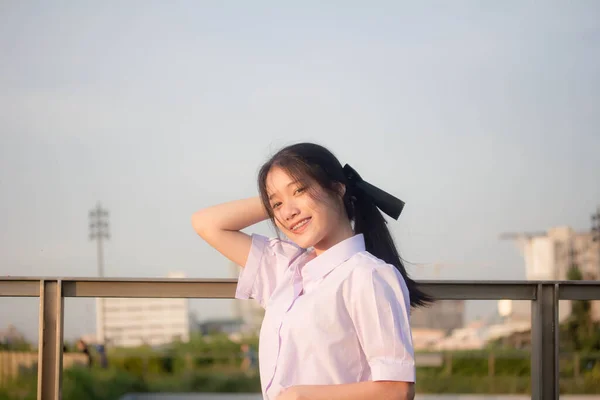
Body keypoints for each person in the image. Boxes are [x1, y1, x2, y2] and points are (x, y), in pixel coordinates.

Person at [192, 142, 431, 400]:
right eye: (277, 205)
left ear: (337, 188)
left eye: (301, 190)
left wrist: (301, 396)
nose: (289, 213)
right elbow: (207, 224)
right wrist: (280, 197)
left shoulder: (367, 275)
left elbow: (397, 389)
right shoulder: (286, 268)